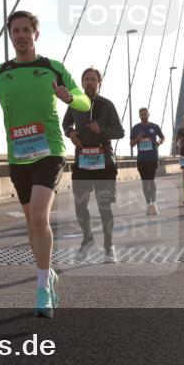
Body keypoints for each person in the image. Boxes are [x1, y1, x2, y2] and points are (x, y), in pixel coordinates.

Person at [0, 10, 90, 317]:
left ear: (36, 35)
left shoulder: (52, 68)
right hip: (18, 155)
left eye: (27, 30)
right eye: (16, 31)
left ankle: (42, 288)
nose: (22, 35)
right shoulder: (1, 72)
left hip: (49, 151)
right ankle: (48, 272)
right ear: (10, 36)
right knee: (31, 222)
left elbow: (84, 101)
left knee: (39, 218)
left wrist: (70, 97)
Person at [63, 66, 124, 263]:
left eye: (93, 79)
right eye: (86, 79)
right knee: (80, 205)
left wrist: (103, 131)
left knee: (104, 206)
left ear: (99, 83)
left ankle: (109, 247)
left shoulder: (107, 105)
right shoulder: (74, 105)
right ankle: (87, 238)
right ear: (82, 83)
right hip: (82, 159)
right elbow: (65, 124)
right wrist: (70, 133)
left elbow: (120, 132)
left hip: (103, 159)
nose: (89, 82)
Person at [130, 107, 165, 215]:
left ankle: (154, 204)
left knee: (151, 180)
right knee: (145, 183)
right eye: (141, 115)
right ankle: (148, 205)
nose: (143, 116)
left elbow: (163, 137)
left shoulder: (154, 127)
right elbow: (131, 144)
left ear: (149, 114)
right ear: (139, 115)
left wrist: (159, 142)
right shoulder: (136, 128)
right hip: (141, 160)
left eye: (145, 114)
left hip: (152, 158)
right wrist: (138, 138)